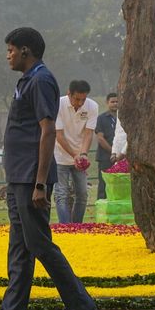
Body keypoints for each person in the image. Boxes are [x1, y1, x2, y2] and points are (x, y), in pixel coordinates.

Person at [0, 27, 95, 310]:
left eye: (11, 50)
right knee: (19, 247)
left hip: (33, 179)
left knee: (40, 244)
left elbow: (46, 130)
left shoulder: (41, 80)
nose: (8, 55)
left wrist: (40, 182)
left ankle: (80, 304)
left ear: (26, 51)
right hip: (21, 177)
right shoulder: (27, 80)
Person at [53, 80, 99, 224]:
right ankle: (66, 227)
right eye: (77, 99)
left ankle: (77, 226)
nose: (80, 103)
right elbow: (59, 135)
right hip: (60, 155)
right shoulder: (58, 104)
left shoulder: (92, 106)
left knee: (83, 194)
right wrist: (75, 155)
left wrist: (83, 155)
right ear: (69, 94)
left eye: (83, 99)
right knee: (61, 194)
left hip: (79, 156)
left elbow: (88, 133)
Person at [95, 93, 119, 199]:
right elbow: (100, 138)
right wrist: (113, 152)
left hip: (122, 156)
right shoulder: (101, 118)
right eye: (112, 102)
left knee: (120, 184)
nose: (115, 104)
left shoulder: (123, 118)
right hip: (105, 157)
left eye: (117, 102)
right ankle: (102, 210)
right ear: (107, 103)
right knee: (103, 184)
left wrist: (120, 154)